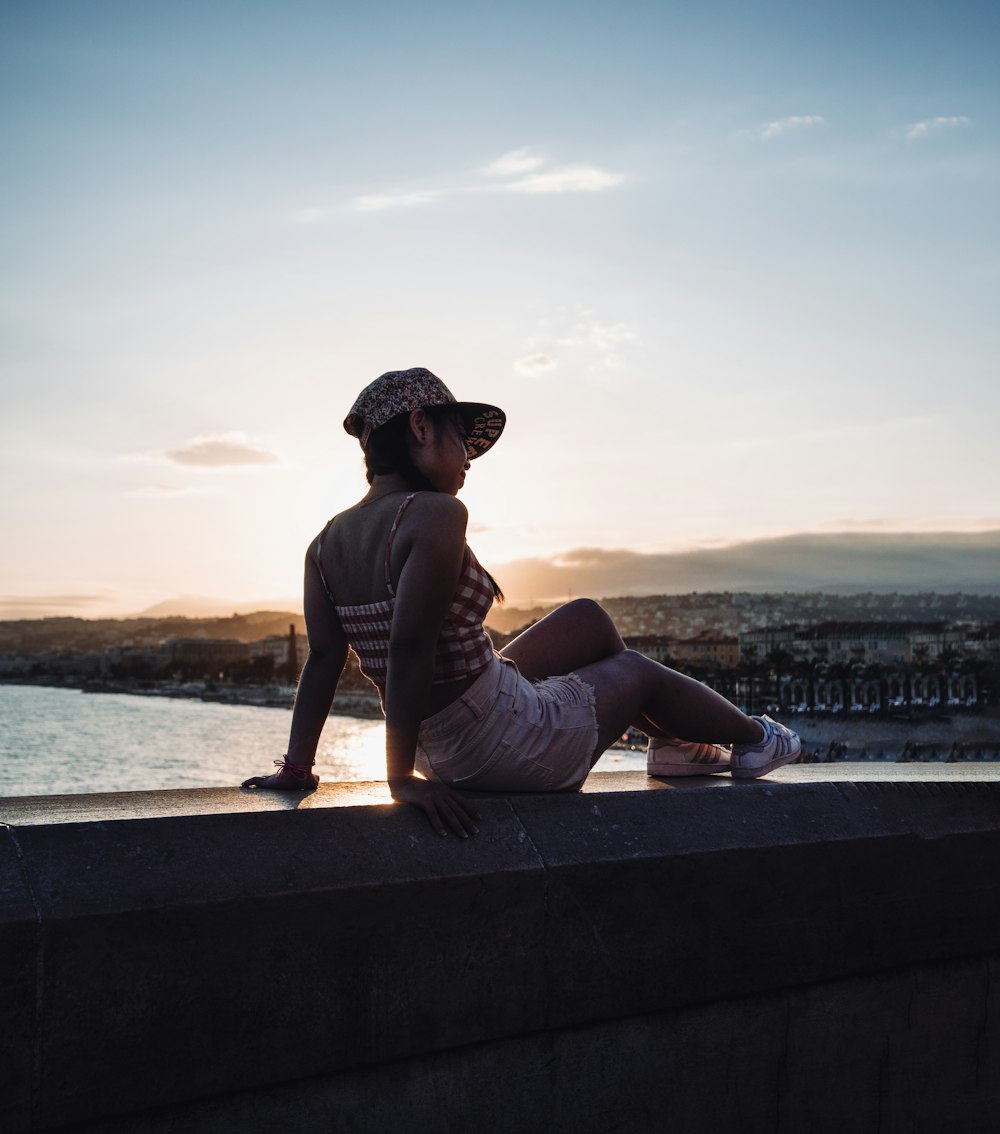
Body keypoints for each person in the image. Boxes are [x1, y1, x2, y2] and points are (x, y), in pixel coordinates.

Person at [242, 367, 801, 836]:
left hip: (449, 731)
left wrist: (297, 767)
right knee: (635, 672)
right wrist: (399, 780)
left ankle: (674, 746)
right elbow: (409, 645)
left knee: (587, 618)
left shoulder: (324, 543)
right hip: (494, 743)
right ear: (420, 426)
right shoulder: (435, 516)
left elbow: (321, 661)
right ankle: (756, 740)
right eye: (462, 439)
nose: (468, 459)